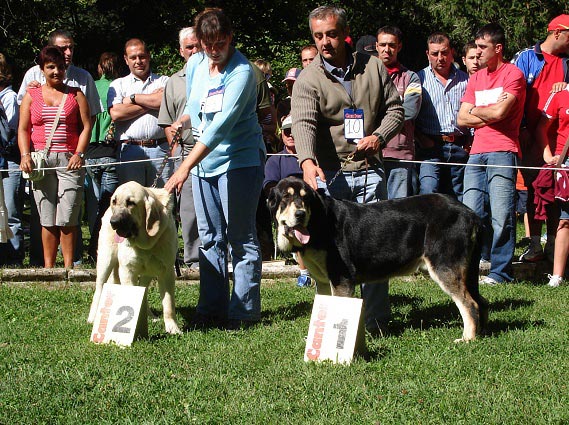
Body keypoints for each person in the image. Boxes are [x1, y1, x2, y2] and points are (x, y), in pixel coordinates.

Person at [292, 5, 404, 335]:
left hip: (371, 170)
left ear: (345, 34)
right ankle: (337, 328)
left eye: (331, 34)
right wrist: (307, 162)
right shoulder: (308, 78)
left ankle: (377, 323)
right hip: (331, 179)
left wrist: (379, 136)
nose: (325, 42)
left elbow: (395, 109)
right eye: (318, 36)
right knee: (332, 255)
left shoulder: (374, 67)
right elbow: (303, 124)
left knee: (377, 249)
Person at [164, 8, 265, 329]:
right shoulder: (195, 64)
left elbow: (220, 125)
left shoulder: (242, 72)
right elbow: (198, 107)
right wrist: (182, 122)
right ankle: (210, 309)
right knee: (209, 238)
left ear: (230, 37)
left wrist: (183, 169)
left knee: (241, 237)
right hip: (204, 162)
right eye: (207, 44)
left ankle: (243, 312)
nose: (213, 50)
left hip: (240, 161)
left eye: (220, 43)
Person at [17, 29, 103, 267]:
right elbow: (23, 129)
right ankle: (48, 268)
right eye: (50, 67)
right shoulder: (31, 95)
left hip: (69, 159)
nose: (56, 71)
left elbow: (88, 125)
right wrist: (25, 155)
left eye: (60, 67)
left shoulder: (76, 94)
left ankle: (68, 268)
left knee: (68, 217)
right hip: (41, 161)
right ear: (42, 69)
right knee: (47, 217)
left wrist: (79, 153)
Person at [458, 23, 526, 285]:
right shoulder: (476, 77)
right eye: (475, 47)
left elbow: (500, 113)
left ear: (498, 49)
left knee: (502, 215)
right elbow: (462, 119)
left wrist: (477, 111)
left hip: (503, 151)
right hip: (476, 153)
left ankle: (501, 272)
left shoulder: (513, 75)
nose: (478, 53)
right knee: (470, 214)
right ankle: (470, 268)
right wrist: (487, 112)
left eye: (483, 47)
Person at [512, 14, 569, 263]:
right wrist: (522, 128)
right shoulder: (526, 57)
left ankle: (554, 246)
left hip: (557, 139)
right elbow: (514, 92)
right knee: (532, 192)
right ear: (557, 32)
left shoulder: (568, 63)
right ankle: (534, 244)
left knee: (555, 193)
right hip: (527, 136)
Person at [157, 27, 200, 269]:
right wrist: (176, 158)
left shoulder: (216, 74)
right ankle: (194, 260)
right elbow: (166, 122)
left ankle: (221, 257)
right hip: (184, 153)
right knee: (189, 210)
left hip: (214, 151)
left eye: (197, 46)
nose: (194, 51)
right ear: (181, 51)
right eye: (189, 47)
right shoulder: (174, 82)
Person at [108, 38, 171, 187]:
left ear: (148, 56)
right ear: (126, 59)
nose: (138, 61)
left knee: (161, 202)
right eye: (133, 57)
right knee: (132, 203)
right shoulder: (118, 84)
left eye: (142, 56)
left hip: (160, 150)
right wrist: (151, 102)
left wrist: (133, 98)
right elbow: (116, 113)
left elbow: (164, 102)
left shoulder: (165, 81)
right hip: (130, 151)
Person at [415, 32, 470, 201]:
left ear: (452, 52)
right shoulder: (418, 79)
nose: (440, 58)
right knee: (428, 193)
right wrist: (421, 138)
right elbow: (410, 115)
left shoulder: (466, 80)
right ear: (427, 54)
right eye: (435, 53)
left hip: (460, 147)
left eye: (444, 52)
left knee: (460, 197)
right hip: (430, 147)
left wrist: (469, 142)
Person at [262, 115, 310, 286]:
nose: (291, 135)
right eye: (287, 131)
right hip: (286, 212)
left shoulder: (311, 158)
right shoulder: (275, 160)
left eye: (295, 131)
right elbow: (270, 188)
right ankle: (304, 272)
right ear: (281, 134)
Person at [376, 25, 422, 199]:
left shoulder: (411, 77)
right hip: (372, 154)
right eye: (383, 44)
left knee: (398, 212)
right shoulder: (363, 76)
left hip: (400, 154)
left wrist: (376, 113)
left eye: (392, 45)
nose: (387, 49)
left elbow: (410, 111)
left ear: (399, 47)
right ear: (376, 46)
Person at [84, 52, 121, 262]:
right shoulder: (117, 87)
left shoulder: (91, 86)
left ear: (99, 67)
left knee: (94, 203)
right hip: (109, 152)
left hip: (90, 152)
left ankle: (94, 244)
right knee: (107, 204)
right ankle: (99, 247)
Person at [535, 86, 569, 287]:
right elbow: (541, 127)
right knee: (565, 219)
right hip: (566, 164)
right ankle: (557, 276)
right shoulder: (561, 94)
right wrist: (548, 155)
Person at [0, 53, 24, 266]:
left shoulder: (9, 97)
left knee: (10, 212)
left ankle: (15, 258)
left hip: (9, 162)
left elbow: (10, 132)